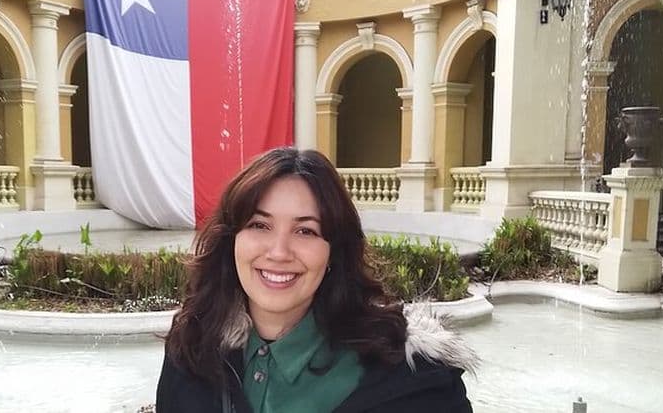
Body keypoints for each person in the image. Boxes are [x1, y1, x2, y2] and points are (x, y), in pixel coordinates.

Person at [156, 147, 476, 412]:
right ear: (232, 240)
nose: (279, 252)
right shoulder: (191, 352)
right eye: (259, 225)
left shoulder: (417, 384)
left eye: (305, 231)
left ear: (334, 252)